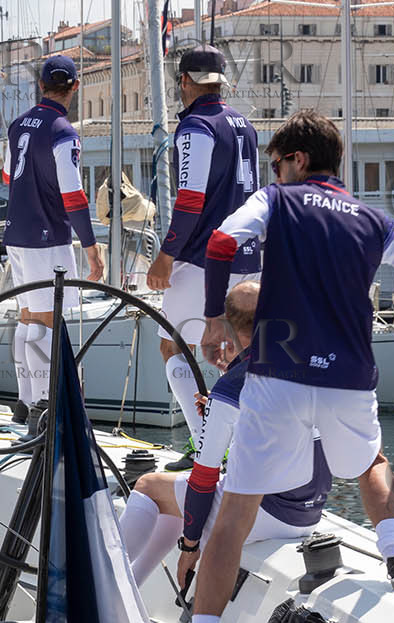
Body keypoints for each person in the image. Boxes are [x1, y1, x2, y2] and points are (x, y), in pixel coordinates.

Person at [164, 110, 394, 623]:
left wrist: (218, 316)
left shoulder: (278, 200)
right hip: (349, 378)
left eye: (276, 163)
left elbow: (223, 241)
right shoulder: (377, 222)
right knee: (372, 463)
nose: (272, 172)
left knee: (236, 511)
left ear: (297, 161)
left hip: (278, 374)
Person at [118, 281, 329, 587]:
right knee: (174, 497)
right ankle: (130, 592)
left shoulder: (233, 385)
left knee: (150, 485)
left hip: (267, 512)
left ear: (227, 327)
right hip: (310, 512)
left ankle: (105, 587)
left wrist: (190, 546)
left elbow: (204, 478)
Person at [145, 44, 261, 472]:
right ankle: (241, 446)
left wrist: (166, 255)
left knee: (172, 343)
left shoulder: (195, 127)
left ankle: (205, 447)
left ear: (185, 82)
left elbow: (191, 200)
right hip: (248, 256)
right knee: (235, 350)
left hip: (203, 257)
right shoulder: (244, 125)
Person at [2, 55, 105, 418]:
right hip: (47, 237)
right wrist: (92, 247)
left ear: (40, 86)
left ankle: (25, 402)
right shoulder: (63, 131)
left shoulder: (17, 127)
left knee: (27, 316)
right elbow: (73, 195)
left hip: (16, 232)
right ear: (75, 86)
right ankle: (45, 408)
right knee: (46, 321)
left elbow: (6, 176)